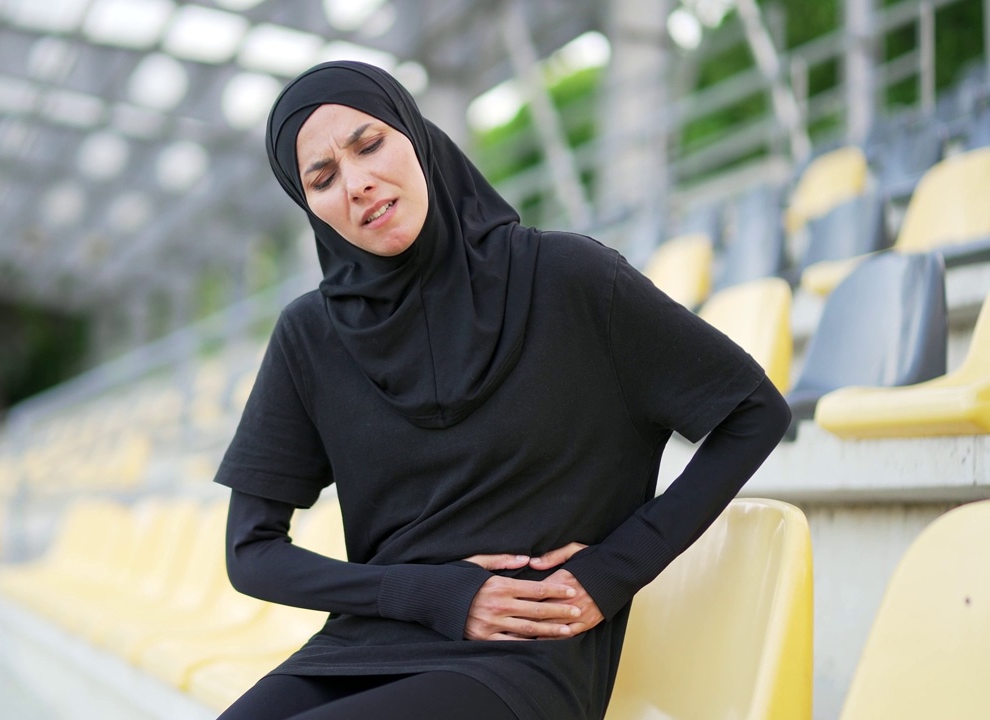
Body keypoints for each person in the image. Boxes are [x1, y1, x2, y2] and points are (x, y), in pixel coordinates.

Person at [213, 61, 791, 720]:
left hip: (524, 655)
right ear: (308, 205)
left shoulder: (569, 277)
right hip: (364, 643)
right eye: (322, 178)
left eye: (369, 144)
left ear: (414, 134)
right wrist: (419, 593)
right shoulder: (308, 336)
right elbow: (251, 550)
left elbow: (753, 411)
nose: (357, 183)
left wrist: (611, 573)